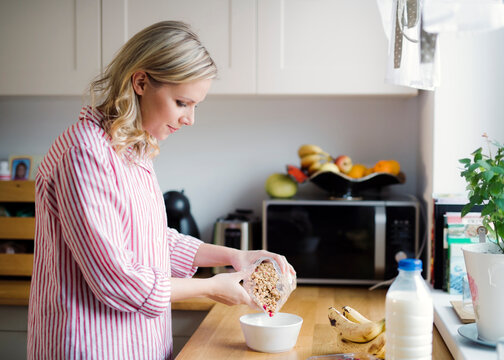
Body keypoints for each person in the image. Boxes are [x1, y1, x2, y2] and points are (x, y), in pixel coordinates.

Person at [27, 21, 294, 360]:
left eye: (196, 105)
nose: (190, 119)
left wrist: (234, 257)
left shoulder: (132, 148)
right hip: (95, 347)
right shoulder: (85, 152)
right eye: (182, 102)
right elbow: (117, 279)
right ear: (140, 82)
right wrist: (212, 287)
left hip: (141, 344)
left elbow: (153, 240)